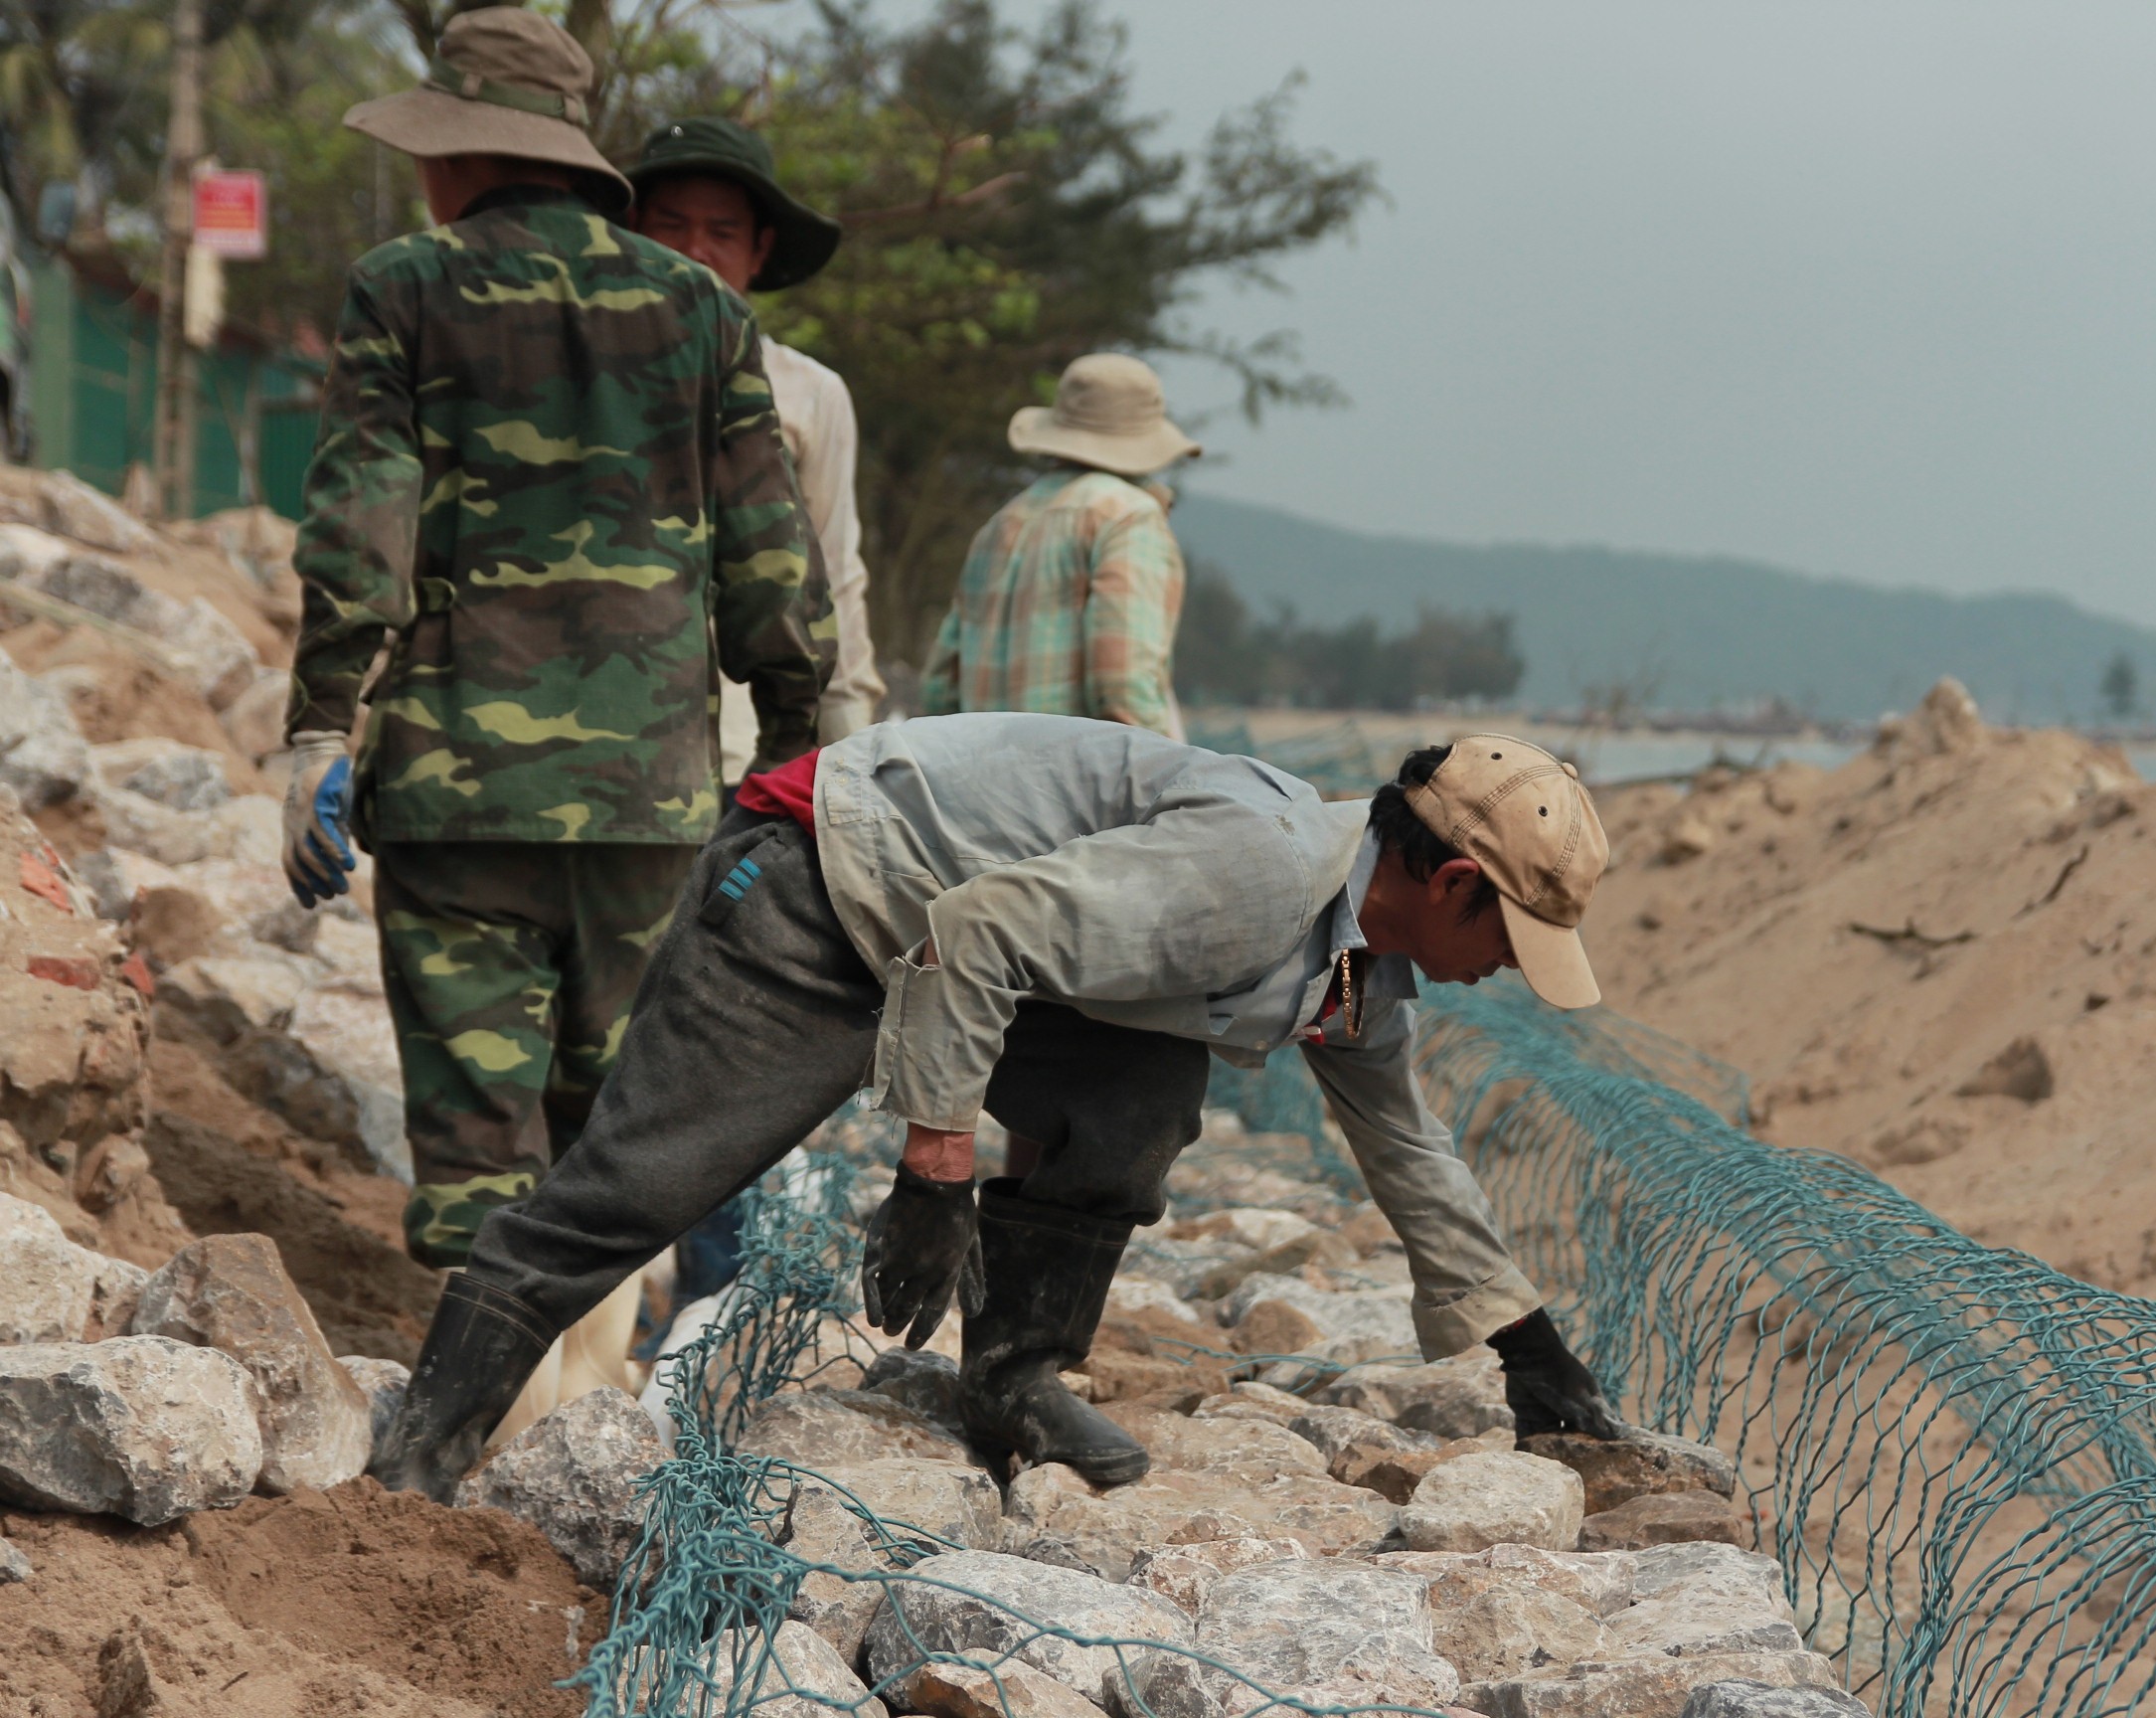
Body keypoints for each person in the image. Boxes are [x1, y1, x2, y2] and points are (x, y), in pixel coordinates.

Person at [373, 718, 1627, 1500]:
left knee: (1138, 1088)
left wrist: (1523, 1343)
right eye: (1512, 942)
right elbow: (977, 933)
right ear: (1453, 880)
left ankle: (1014, 1378)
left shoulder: (1357, 967)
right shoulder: (1255, 879)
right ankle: (414, 1460)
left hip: (946, 935)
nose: (1506, 972)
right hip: (826, 886)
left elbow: (1405, 1140)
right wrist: (935, 1171)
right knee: (648, 1185)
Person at [281, 4, 834, 1316]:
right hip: (650, 795)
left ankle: (484, 1434)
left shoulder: (402, 285)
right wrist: (800, 746)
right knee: (621, 1137)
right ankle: (593, 1417)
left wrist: (316, 724)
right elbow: (772, 553)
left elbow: (363, 521)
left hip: (453, 793)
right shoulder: (701, 306)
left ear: (458, 151)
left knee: (481, 1154)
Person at [626, 116, 886, 771]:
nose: (694, 250)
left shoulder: (808, 393)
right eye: (670, 225)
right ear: (631, 232)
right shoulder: (573, 379)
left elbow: (834, 571)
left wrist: (847, 756)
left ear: (760, 249)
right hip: (598, 738)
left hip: (748, 750)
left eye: (722, 232)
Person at [917, 354, 1198, 739]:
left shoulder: (1000, 524)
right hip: (1077, 789)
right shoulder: (1130, 517)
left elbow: (939, 690)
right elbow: (1123, 684)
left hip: (980, 784)